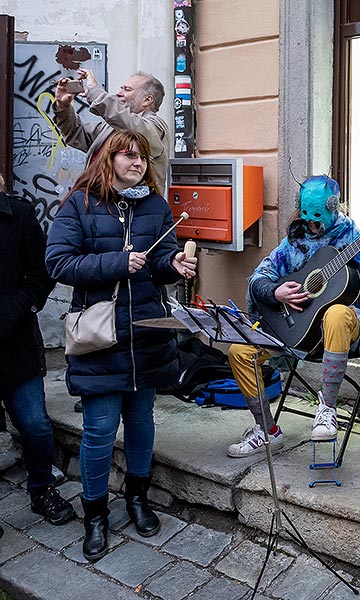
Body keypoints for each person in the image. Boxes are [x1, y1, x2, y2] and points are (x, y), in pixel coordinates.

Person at [45, 130, 197, 562]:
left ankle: (137, 499)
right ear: (107, 158)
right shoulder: (81, 204)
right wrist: (117, 262)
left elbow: (162, 259)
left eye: (142, 157)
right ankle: (95, 516)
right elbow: (57, 262)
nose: (137, 163)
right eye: (127, 155)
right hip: (100, 337)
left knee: (141, 422)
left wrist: (175, 264)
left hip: (147, 332)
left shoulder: (155, 206)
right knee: (98, 430)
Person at [226, 175, 360, 455]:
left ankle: (327, 409)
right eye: (306, 217)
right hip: (299, 332)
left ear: (334, 209)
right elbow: (259, 278)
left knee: (335, 313)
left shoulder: (353, 238)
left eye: (317, 219)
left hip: (346, 333)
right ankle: (267, 431)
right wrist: (275, 292)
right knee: (239, 350)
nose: (311, 226)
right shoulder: (295, 242)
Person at [0, 174, 76, 527]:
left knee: (35, 425)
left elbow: (42, 274)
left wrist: (15, 310)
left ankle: (41, 488)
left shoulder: (18, 215)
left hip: (15, 346)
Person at [53, 69, 170, 191]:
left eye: (127, 89)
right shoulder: (113, 126)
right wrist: (63, 107)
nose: (119, 93)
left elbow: (134, 130)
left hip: (134, 207)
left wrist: (95, 92)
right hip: (99, 203)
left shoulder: (155, 126)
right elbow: (76, 134)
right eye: (121, 88)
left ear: (147, 100)